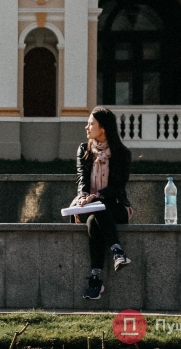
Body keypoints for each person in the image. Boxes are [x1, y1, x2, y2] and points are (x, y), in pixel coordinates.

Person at [71, 106, 133, 300]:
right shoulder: (84, 149)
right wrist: (84, 196)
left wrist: (97, 196)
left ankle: (95, 280)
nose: (86, 127)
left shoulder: (122, 153)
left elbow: (118, 187)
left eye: (91, 124)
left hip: (115, 206)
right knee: (95, 212)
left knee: (96, 215)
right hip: (87, 206)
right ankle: (117, 251)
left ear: (103, 128)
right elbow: (82, 178)